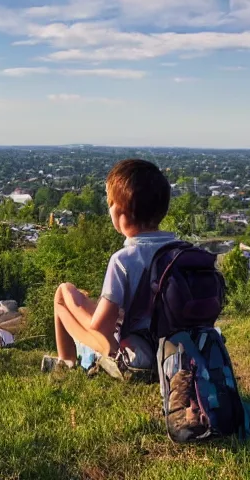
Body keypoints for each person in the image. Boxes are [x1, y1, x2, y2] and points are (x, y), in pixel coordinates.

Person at [41, 159, 176, 377]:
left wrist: (78, 310)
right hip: (177, 354)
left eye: (110, 202)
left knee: (62, 296)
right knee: (68, 293)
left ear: (120, 213)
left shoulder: (124, 259)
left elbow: (101, 328)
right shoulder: (180, 251)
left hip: (138, 359)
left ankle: (66, 362)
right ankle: (66, 360)